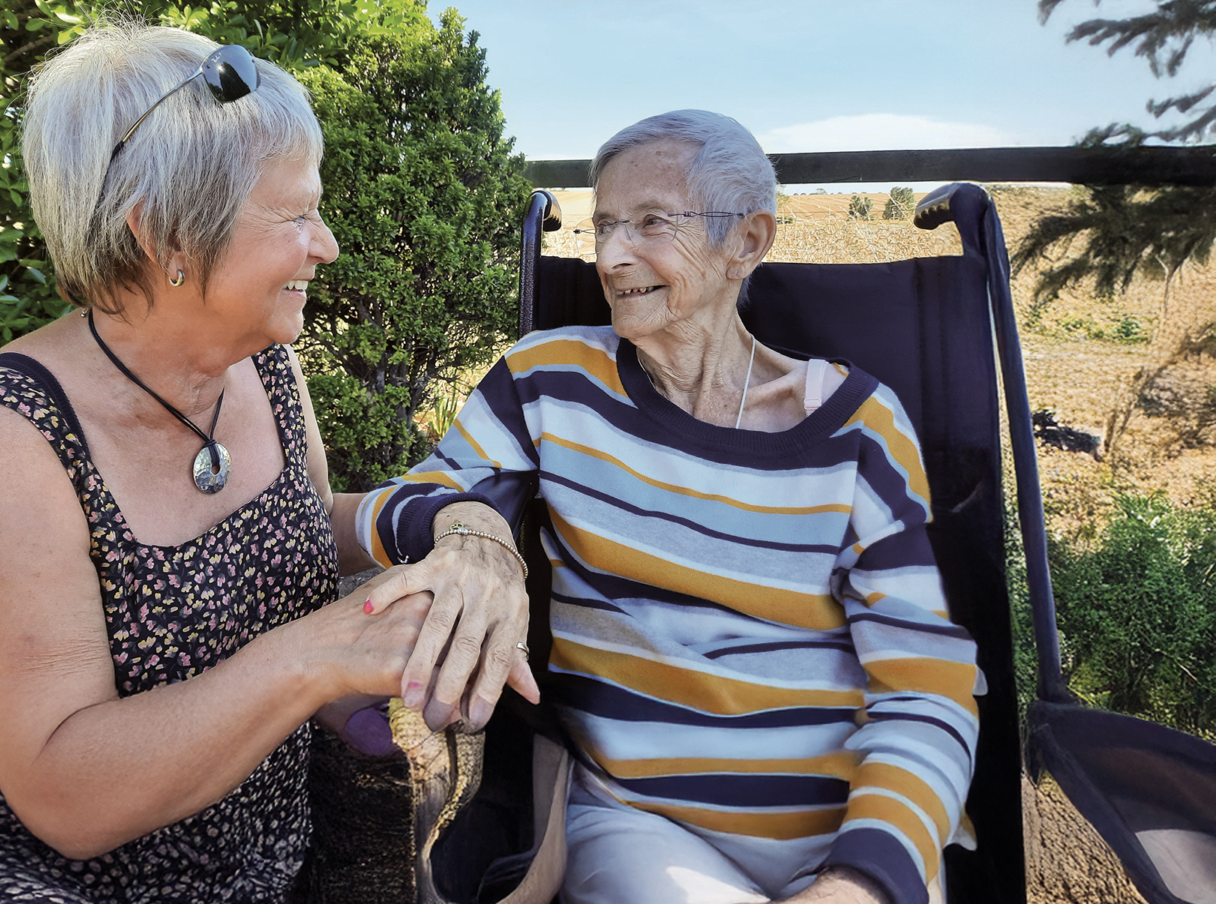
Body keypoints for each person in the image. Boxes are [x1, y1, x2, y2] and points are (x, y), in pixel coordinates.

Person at [0, 20, 534, 904]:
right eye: (296, 213)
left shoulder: (261, 362)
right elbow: (64, 791)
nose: (327, 242)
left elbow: (306, 523)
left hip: (220, 854)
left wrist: (460, 522)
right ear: (168, 236)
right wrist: (313, 659)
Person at [357, 110, 982, 904]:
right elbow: (415, 496)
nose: (613, 256)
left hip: (857, 830)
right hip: (644, 822)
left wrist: (861, 881)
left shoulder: (860, 427)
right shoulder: (548, 383)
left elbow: (927, 687)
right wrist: (469, 529)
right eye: (604, 225)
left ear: (746, 243)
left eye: (651, 223)